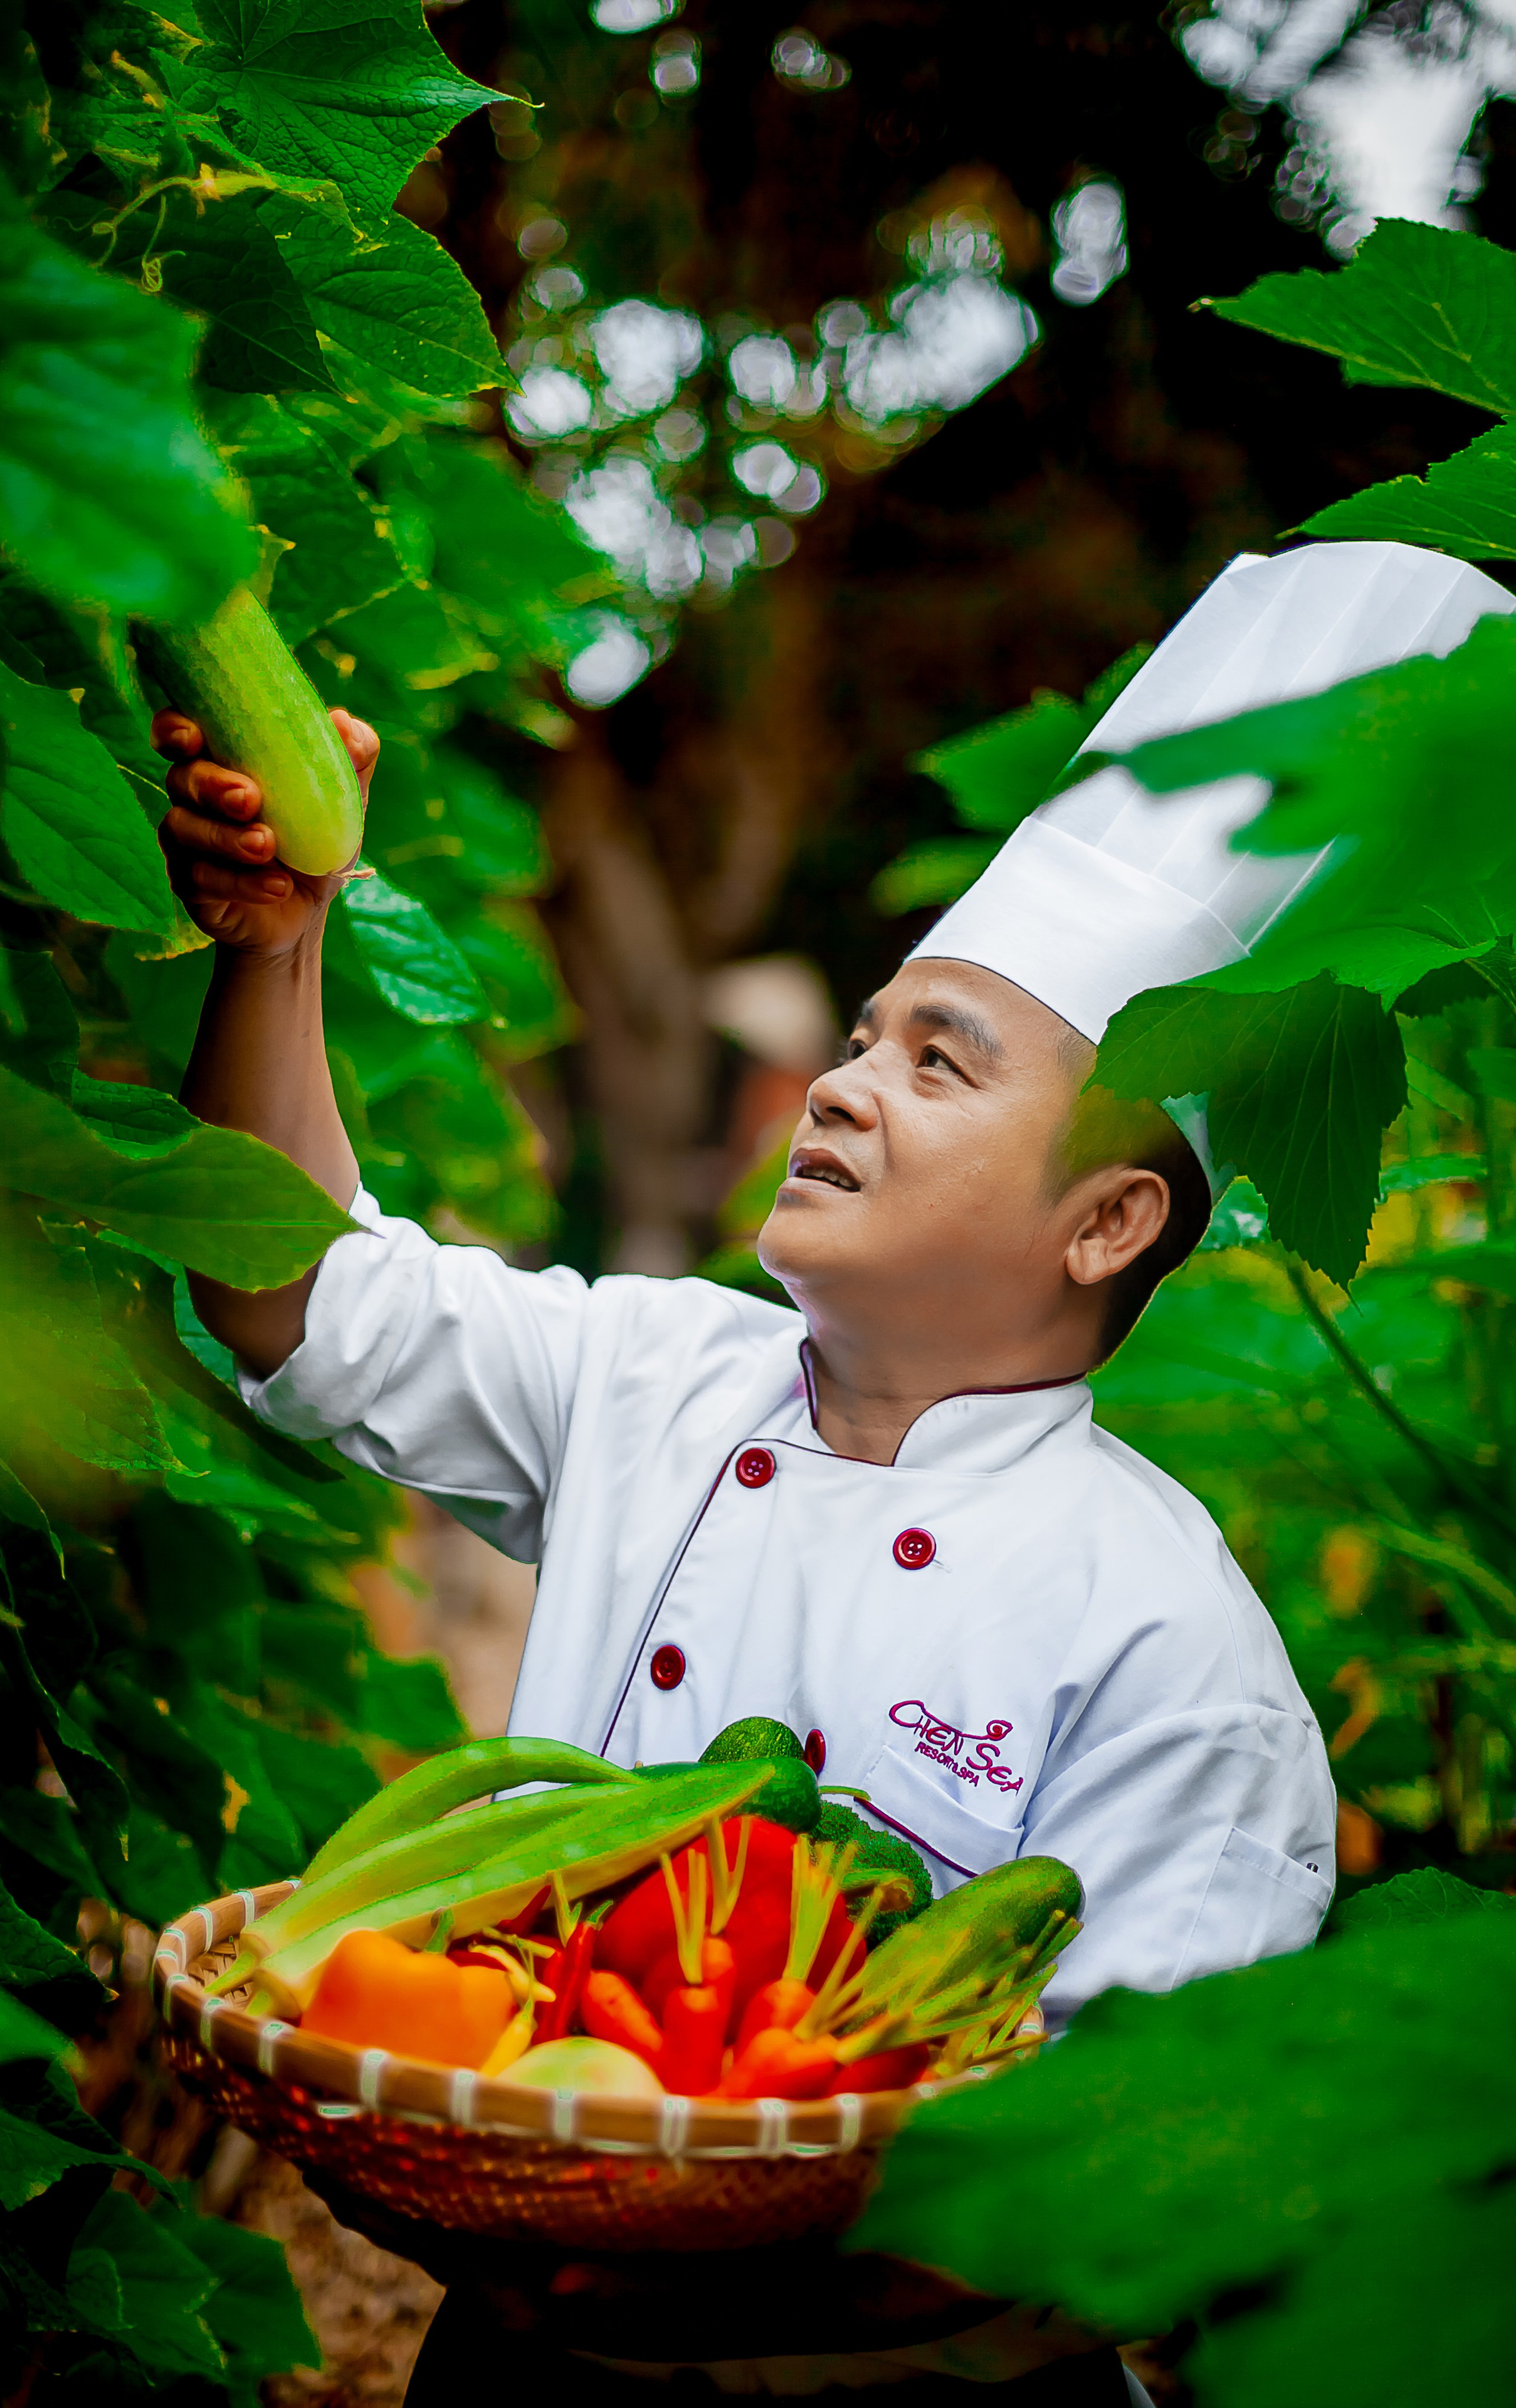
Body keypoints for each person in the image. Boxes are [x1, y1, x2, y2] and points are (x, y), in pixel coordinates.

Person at [158, 540, 1503, 2036]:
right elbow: (291, 1299)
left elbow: (1097, 2152)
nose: (840, 1089)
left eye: (936, 1062)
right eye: (863, 1041)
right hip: (510, 2190)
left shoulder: (1173, 1653)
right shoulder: (649, 1376)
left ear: (1106, 1220)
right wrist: (281, 948)